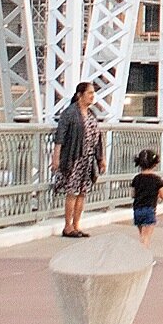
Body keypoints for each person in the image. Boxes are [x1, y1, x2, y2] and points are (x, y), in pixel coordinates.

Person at [52, 80, 104, 239]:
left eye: (93, 93)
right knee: (72, 192)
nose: (92, 96)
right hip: (74, 158)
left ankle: (76, 225)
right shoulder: (69, 113)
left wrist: (100, 158)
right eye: (89, 93)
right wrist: (56, 158)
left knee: (82, 192)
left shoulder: (91, 114)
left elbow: (98, 137)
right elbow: (60, 136)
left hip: (88, 159)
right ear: (79, 95)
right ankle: (67, 226)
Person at [130, 147, 163, 248]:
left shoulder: (136, 178)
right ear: (154, 164)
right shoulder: (157, 179)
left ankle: (142, 255)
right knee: (146, 237)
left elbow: (133, 194)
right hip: (149, 209)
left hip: (137, 210)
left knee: (142, 235)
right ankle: (143, 257)